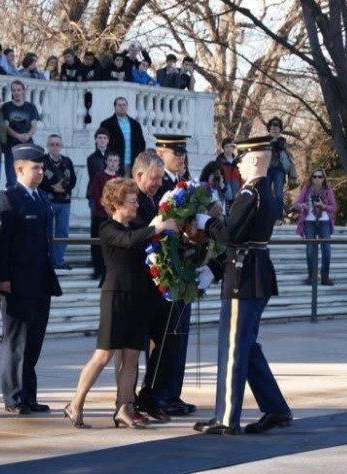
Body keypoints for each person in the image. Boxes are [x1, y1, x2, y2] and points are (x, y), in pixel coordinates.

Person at [193, 136, 292, 436]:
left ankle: (226, 417)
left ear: (255, 161)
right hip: (254, 271)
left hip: (244, 277)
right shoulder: (269, 191)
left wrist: (205, 224)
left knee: (234, 348)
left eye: (242, 159)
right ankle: (276, 408)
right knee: (247, 347)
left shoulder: (250, 193)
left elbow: (230, 236)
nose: (237, 164)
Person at [63, 177, 177, 429]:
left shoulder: (134, 227)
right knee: (103, 355)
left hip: (139, 299)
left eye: (137, 200)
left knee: (132, 357)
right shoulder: (107, 228)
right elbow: (128, 241)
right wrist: (158, 227)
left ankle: (124, 407)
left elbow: (142, 241)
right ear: (116, 204)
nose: (136, 206)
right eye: (132, 201)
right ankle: (76, 403)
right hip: (116, 297)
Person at [0, 143, 62, 415]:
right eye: (36, 167)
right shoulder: (7, 199)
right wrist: (3, 278)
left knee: (33, 341)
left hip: (40, 280)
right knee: (16, 342)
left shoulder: (41, 198)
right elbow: (1, 245)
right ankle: (14, 397)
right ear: (19, 168)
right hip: (18, 282)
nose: (41, 171)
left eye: (42, 167)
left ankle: (29, 394)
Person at [138, 136, 196, 421]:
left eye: (183, 153)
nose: (181, 157)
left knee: (179, 336)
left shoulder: (184, 184)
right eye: (176, 152)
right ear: (160, 153)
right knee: (165, 337)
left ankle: (171, 392)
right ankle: (156, 393)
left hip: (182, 270)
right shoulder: (160, 187)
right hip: (162, 274)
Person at [38, 134, 77, 270]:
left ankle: (59, 260)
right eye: (52, 144)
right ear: (47, 146)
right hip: (47, 200)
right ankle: (45, 260)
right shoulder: (42, 162)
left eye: (57, 144)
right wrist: (53, 188)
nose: (55, 147)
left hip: (64, 201)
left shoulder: (67, 161)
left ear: (62, 146)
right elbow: (39, 181)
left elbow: (73, 180)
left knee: (62, 232)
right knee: (45, 231)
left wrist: (63, 189)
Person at [294, 168, 337, 286]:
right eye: (315, 176)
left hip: (324, 222)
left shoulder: (328, 191)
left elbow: (333, 207)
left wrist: (323, 206)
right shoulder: (306, 190)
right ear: (311, 178)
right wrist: (304, 206)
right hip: (309, 222)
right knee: (310, 251)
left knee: (326, 251)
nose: (317, 179)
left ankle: (325, 277)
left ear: (324, 178)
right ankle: (312, 277)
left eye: (320, 176)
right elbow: (296, 204)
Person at [1, 80, 40, 189]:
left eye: (19, 90)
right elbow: (5, 126)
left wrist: (27, 135)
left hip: (28, 146)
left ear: (23, 91)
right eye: (14, 90)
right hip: (11, 147)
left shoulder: (31, 107)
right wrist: (18, 136)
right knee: (11, 179)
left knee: (28, 178)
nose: (16, 92)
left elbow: (34, 125)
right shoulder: (6, 107)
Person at [89, 152, 121, 280]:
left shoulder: (119, 178)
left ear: (118, 165)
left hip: (114, 217)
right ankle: (98, 269)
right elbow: (96, 195)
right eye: (110, 160)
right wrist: (106, 207)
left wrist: (115, 209)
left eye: (115, 161)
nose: (112, 163)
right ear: (106, 162)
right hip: (100, 215)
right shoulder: (99, 176)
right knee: (97, 243)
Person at [99, 97, 146, 176]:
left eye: (124, 105)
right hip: (114, 164)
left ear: (127, 106)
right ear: (115, 107)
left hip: (132, 164)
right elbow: (102, 144)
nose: (122, 107)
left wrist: (139, 161)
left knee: (129, 187)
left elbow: (141, 144)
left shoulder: (135, 124)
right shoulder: (106, 124)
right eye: (119, 105)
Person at [266, 116, 288, 224]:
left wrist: (273, 140)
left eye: (277, 126)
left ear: (280, 129)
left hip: (279, 170)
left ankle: (278, 218)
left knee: (279, 194)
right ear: (269, 128)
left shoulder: (282, 140)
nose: (274, 128)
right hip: (267, 170)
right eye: (272, 126)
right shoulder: (265, 140)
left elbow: (280, 146)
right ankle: (267, 216)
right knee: (266, 193)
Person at [215, 137, 243, 212]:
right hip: (225, 183)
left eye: (231, 146)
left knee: (236, 203)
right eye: (226, 147)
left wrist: (241, 185)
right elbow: (217, 174)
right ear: (223, 148)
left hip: (236, 183)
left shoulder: (237, 160)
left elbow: (241, 174)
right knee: (228, 199)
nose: (229, 149)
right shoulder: (219, 160)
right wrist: (221, 184)